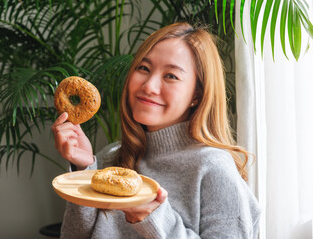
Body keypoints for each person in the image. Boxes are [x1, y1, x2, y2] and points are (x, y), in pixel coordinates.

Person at [52, 22, 260, 239]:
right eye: (144, 68)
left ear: (197, 95)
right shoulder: (109, 160)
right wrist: (84, 168)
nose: (149, 86)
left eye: (171, 76)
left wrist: (154, 219)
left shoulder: (213, 168)